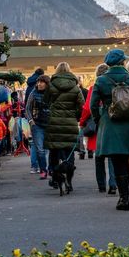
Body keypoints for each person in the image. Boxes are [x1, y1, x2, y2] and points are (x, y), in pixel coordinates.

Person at [91, 49, 129, 211]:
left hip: (111, 124)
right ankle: (125, 196)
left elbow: (93, 105)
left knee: (117, 161)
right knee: (125, 157)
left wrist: (100, 119)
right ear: (123, 62)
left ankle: (123, 198)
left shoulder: (101, 80)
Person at [45, 62, 84, 191]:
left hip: (54, 123)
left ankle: (55, 179)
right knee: (69, 153)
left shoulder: (51, 85)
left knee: (54, 152)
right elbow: (81, 106)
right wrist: (75, 116)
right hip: (70, 123)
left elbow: (45, 101)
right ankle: (69, 181)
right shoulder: (75, 87)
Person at [81, 63, 117, 193]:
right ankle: (113, 183)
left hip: (99, 125)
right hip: (113, 122)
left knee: (99, 156)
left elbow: (88, 107)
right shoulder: (115, 85)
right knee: (112, 155)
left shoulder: (94, 87)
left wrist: (83, 122)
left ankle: (101, 184)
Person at [25, 74, 51, 179]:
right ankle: (43, 170)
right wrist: (31, 121)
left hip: (50, 124)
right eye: (38, 82)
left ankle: (51, 169)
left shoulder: (51, 94)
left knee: (50, 149)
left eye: (41, 82)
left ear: (47, 84)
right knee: (40, 149)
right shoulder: (33, 93)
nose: (39, 84)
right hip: (37, 125)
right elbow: (27, 108)